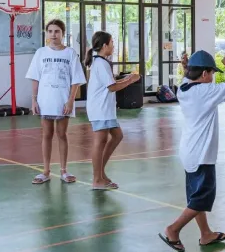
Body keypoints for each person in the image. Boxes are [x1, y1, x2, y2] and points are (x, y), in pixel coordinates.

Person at [159, 50, 225, 252]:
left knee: (196, 196)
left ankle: (205, 234)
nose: (212, 77)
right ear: (204, 74)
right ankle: (173, 229)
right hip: (202, 154)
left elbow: (188, 75)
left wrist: (186, 65)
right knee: (202, 197)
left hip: (189, 151)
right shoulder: (205, 92)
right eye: (211, 73)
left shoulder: (184, 88)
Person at [26, 19, 86, 185]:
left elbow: (76, 80)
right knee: (46, 135)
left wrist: (70, 101)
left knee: (61, 135)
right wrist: (34, 100)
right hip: (45, 100)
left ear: (63, 33)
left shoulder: (70, 53)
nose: (53, 34)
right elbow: (35, 78)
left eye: (57, 31)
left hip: (62, 100)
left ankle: (64, 171)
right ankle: (45, 171)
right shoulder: (41, 53)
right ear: (47, 33)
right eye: (50, 31)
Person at [84, 31, 140, 191]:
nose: (113, 46)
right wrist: (130, 80)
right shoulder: (101, 63)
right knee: (100, 141)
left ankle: (101, 173)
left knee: (117, 135)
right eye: (112, 42)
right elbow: (112, 87)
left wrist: (128, 78)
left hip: (105, 109)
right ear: (104, 45)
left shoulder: (101, 62)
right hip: (100, 109)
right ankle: (96, 179)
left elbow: (111, 83)